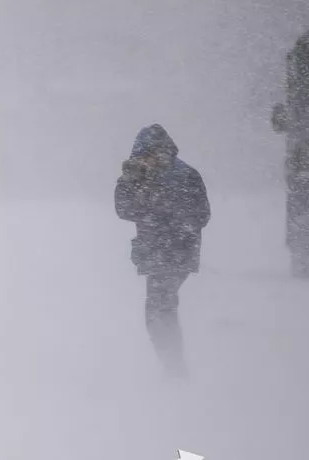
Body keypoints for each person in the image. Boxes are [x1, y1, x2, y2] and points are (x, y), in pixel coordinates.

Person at [114, 124, 210, 378]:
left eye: (145, 154)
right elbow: (124, 209)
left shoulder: (178, 176)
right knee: (161, 310)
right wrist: (128, 181)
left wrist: (159, 207)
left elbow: (198, 215)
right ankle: (175, 369)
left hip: (170, 252)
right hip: (169, 252)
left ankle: (175, 371)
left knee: (158, 312)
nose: (143, 160)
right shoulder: (174, 174)